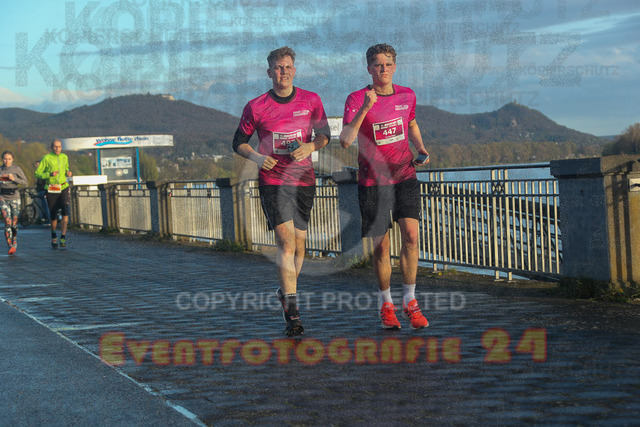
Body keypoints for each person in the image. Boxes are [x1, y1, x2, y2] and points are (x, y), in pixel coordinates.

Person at [232, 46, 331, 336]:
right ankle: (293, 311)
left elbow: (325, 135)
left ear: (294, 71)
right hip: (273, 180)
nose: (283, 72)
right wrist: (257, 157)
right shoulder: (256, 106)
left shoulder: (311, 100)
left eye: (287, 67)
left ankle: (286, 292)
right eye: (278, 67)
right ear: (269, 72)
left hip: (303, 180)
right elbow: (238, 142)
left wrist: (311, 146)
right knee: (286, 243)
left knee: (300, 246)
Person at [340, 43, 430, 330]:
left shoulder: (407, 95)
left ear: (395, 66)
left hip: (405, 175)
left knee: (411, 237)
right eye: (378, 65)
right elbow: (345, 140)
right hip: (373, 182)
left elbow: (411, 123)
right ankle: (386, 305)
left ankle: (410, 301)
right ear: (369, 68)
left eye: (388, 64)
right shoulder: (357, 98)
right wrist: (366, 107)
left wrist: (421, 148)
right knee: (381, 248)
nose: (384, 69)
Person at [35, 139, 73, 248]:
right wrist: (49, 174)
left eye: (59, 146)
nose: (57, 148)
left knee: (65, 211)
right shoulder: (46, 158)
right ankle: (54, 236)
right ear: (51, 147)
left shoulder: (64, 157)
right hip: (51, 189)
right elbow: (37, 173)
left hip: (63, 187)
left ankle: (63, 237)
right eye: (55, 147)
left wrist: (68, 172)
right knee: (54, 215)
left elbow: (66, 168)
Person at [0, 151, 28, 255]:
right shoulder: (0, 170)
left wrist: (14, 179)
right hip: (3, 198)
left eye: (9, 159)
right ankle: (10, 245)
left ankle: (14, 240)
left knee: (14, 223)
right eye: (5, 159)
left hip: (15, 198)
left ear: (12, 159)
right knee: (7, 222)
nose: (7, 161)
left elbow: (25, 182)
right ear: (2, 159)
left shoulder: (17, 169)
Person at [34, 160, 51, 224]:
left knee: (46, 206)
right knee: (44, 206)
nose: (36, 166)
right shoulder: (42, 173)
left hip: (43, 191)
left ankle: (48, 220)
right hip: (42, 190)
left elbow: (43, 183)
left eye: (37, 164)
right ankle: (46, 218)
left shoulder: (42, 174)